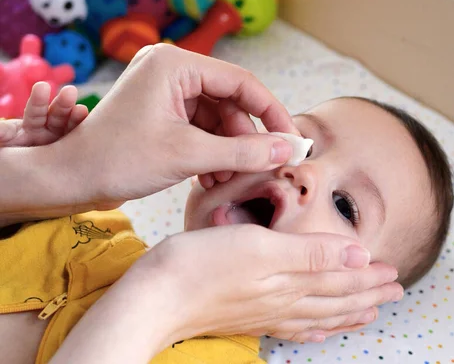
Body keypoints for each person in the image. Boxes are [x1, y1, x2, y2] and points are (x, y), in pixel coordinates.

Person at [0, 44, 405, 364]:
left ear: (345, 298)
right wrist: (41, 170)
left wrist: (169, 289)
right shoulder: (90, 217)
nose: (305, 173)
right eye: (304, 146)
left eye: (344, 205)